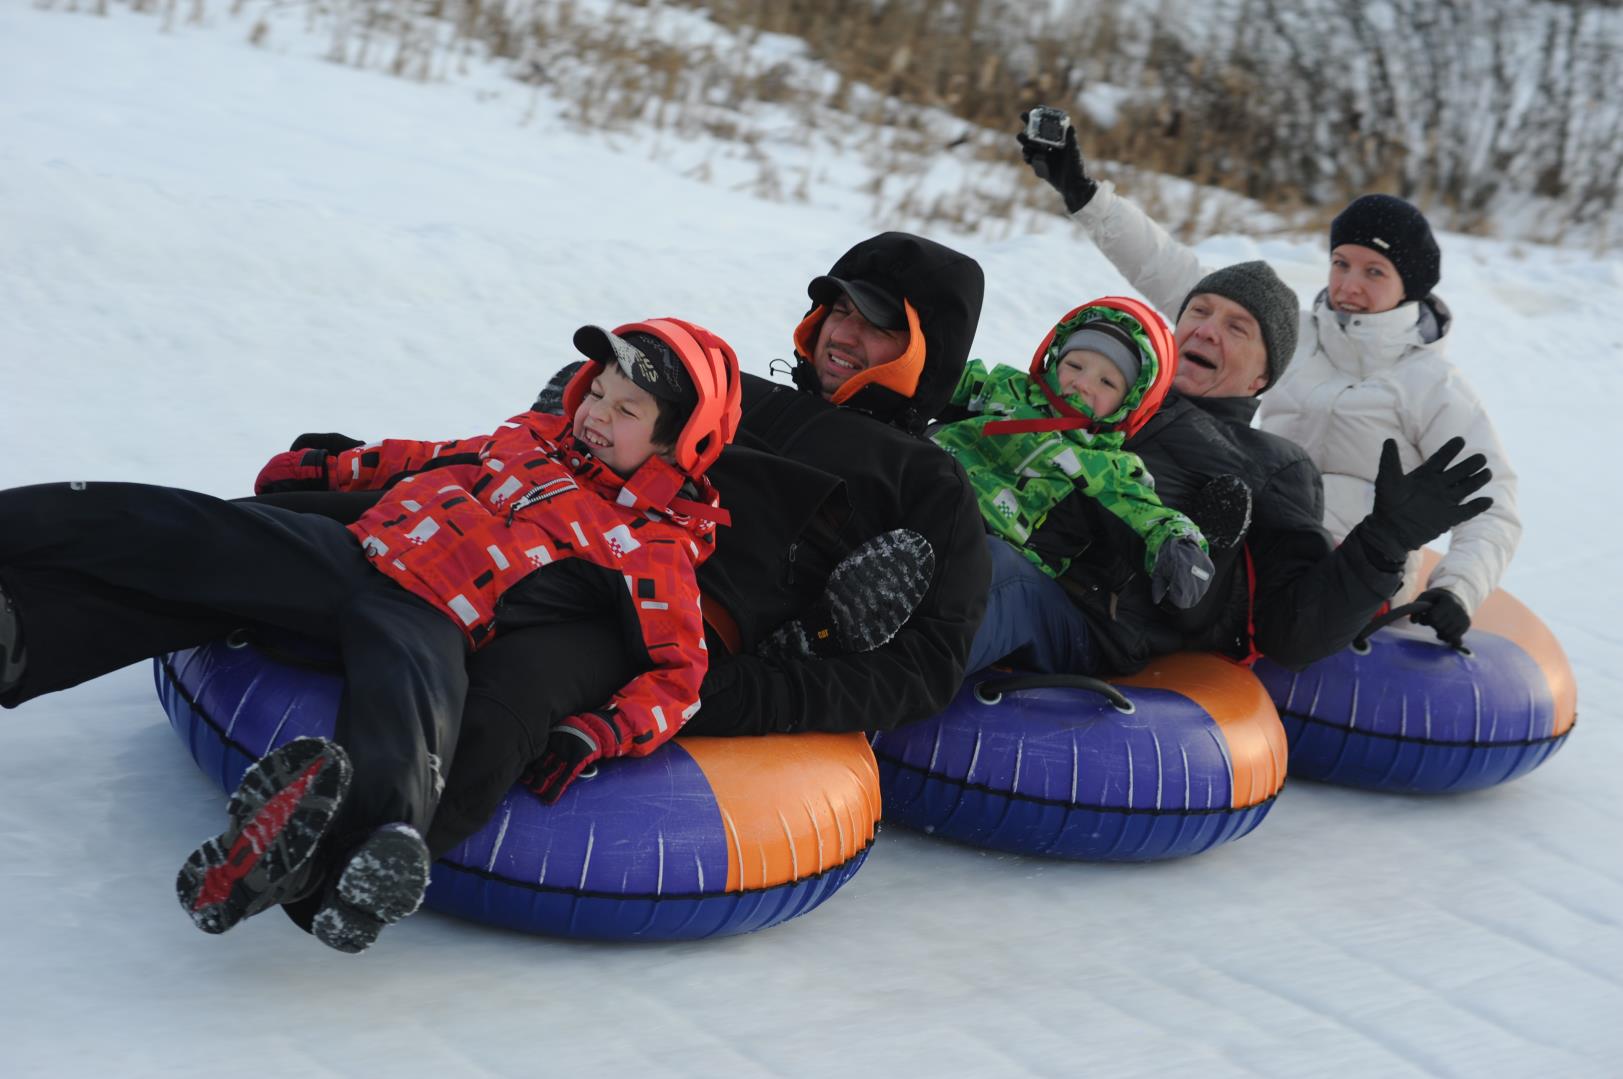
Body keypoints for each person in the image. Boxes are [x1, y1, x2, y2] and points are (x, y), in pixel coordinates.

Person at [0, 316, 742, 952]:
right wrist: (328, 462)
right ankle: (19, 620)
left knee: (408, 731)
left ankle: (332, 869)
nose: (596, 415)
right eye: (600, 392)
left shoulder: (652, 544)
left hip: (430, 620)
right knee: (194, 528)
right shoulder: (527, 436)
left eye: (627, 409)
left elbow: (679, 674)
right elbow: (421, 457)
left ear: (682, 443)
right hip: (355, 553)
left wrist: (601, 731)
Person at [258, 233, 991, 856]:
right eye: (837, 309)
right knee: (305, 530)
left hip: (675, 619)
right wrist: (377, 463)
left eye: (875, 325)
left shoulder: (927, 482)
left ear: (926, 353)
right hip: (550, 529)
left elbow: (924, 670)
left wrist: (726, 692)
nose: (842, 334)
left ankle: (363, 842)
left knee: (508, 683)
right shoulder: (730, 387)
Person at [1019, 114, 1518, 647]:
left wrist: (1458, 587)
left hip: (1347, 578)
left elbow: (1495, 501)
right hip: (1247, 545)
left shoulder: (1433, 385)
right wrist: (1084, 195)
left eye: (1374, 273)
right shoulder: (1288, 337)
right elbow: (1170, 271)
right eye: (1341, 263)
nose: (1349, 285)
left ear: (1409, 287)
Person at [931, 296, 1242, 674]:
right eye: (1075, 364)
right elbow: (942, 376)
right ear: (1055, 357)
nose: (1081, 383)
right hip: (926, 498)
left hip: (985, 546)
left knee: (987, 569)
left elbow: (1146, 512)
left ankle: (902, 667)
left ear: (1128, 404)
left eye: (1107, 381)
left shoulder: (1106, 467)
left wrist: (1178, 543)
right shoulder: (1004, 389)